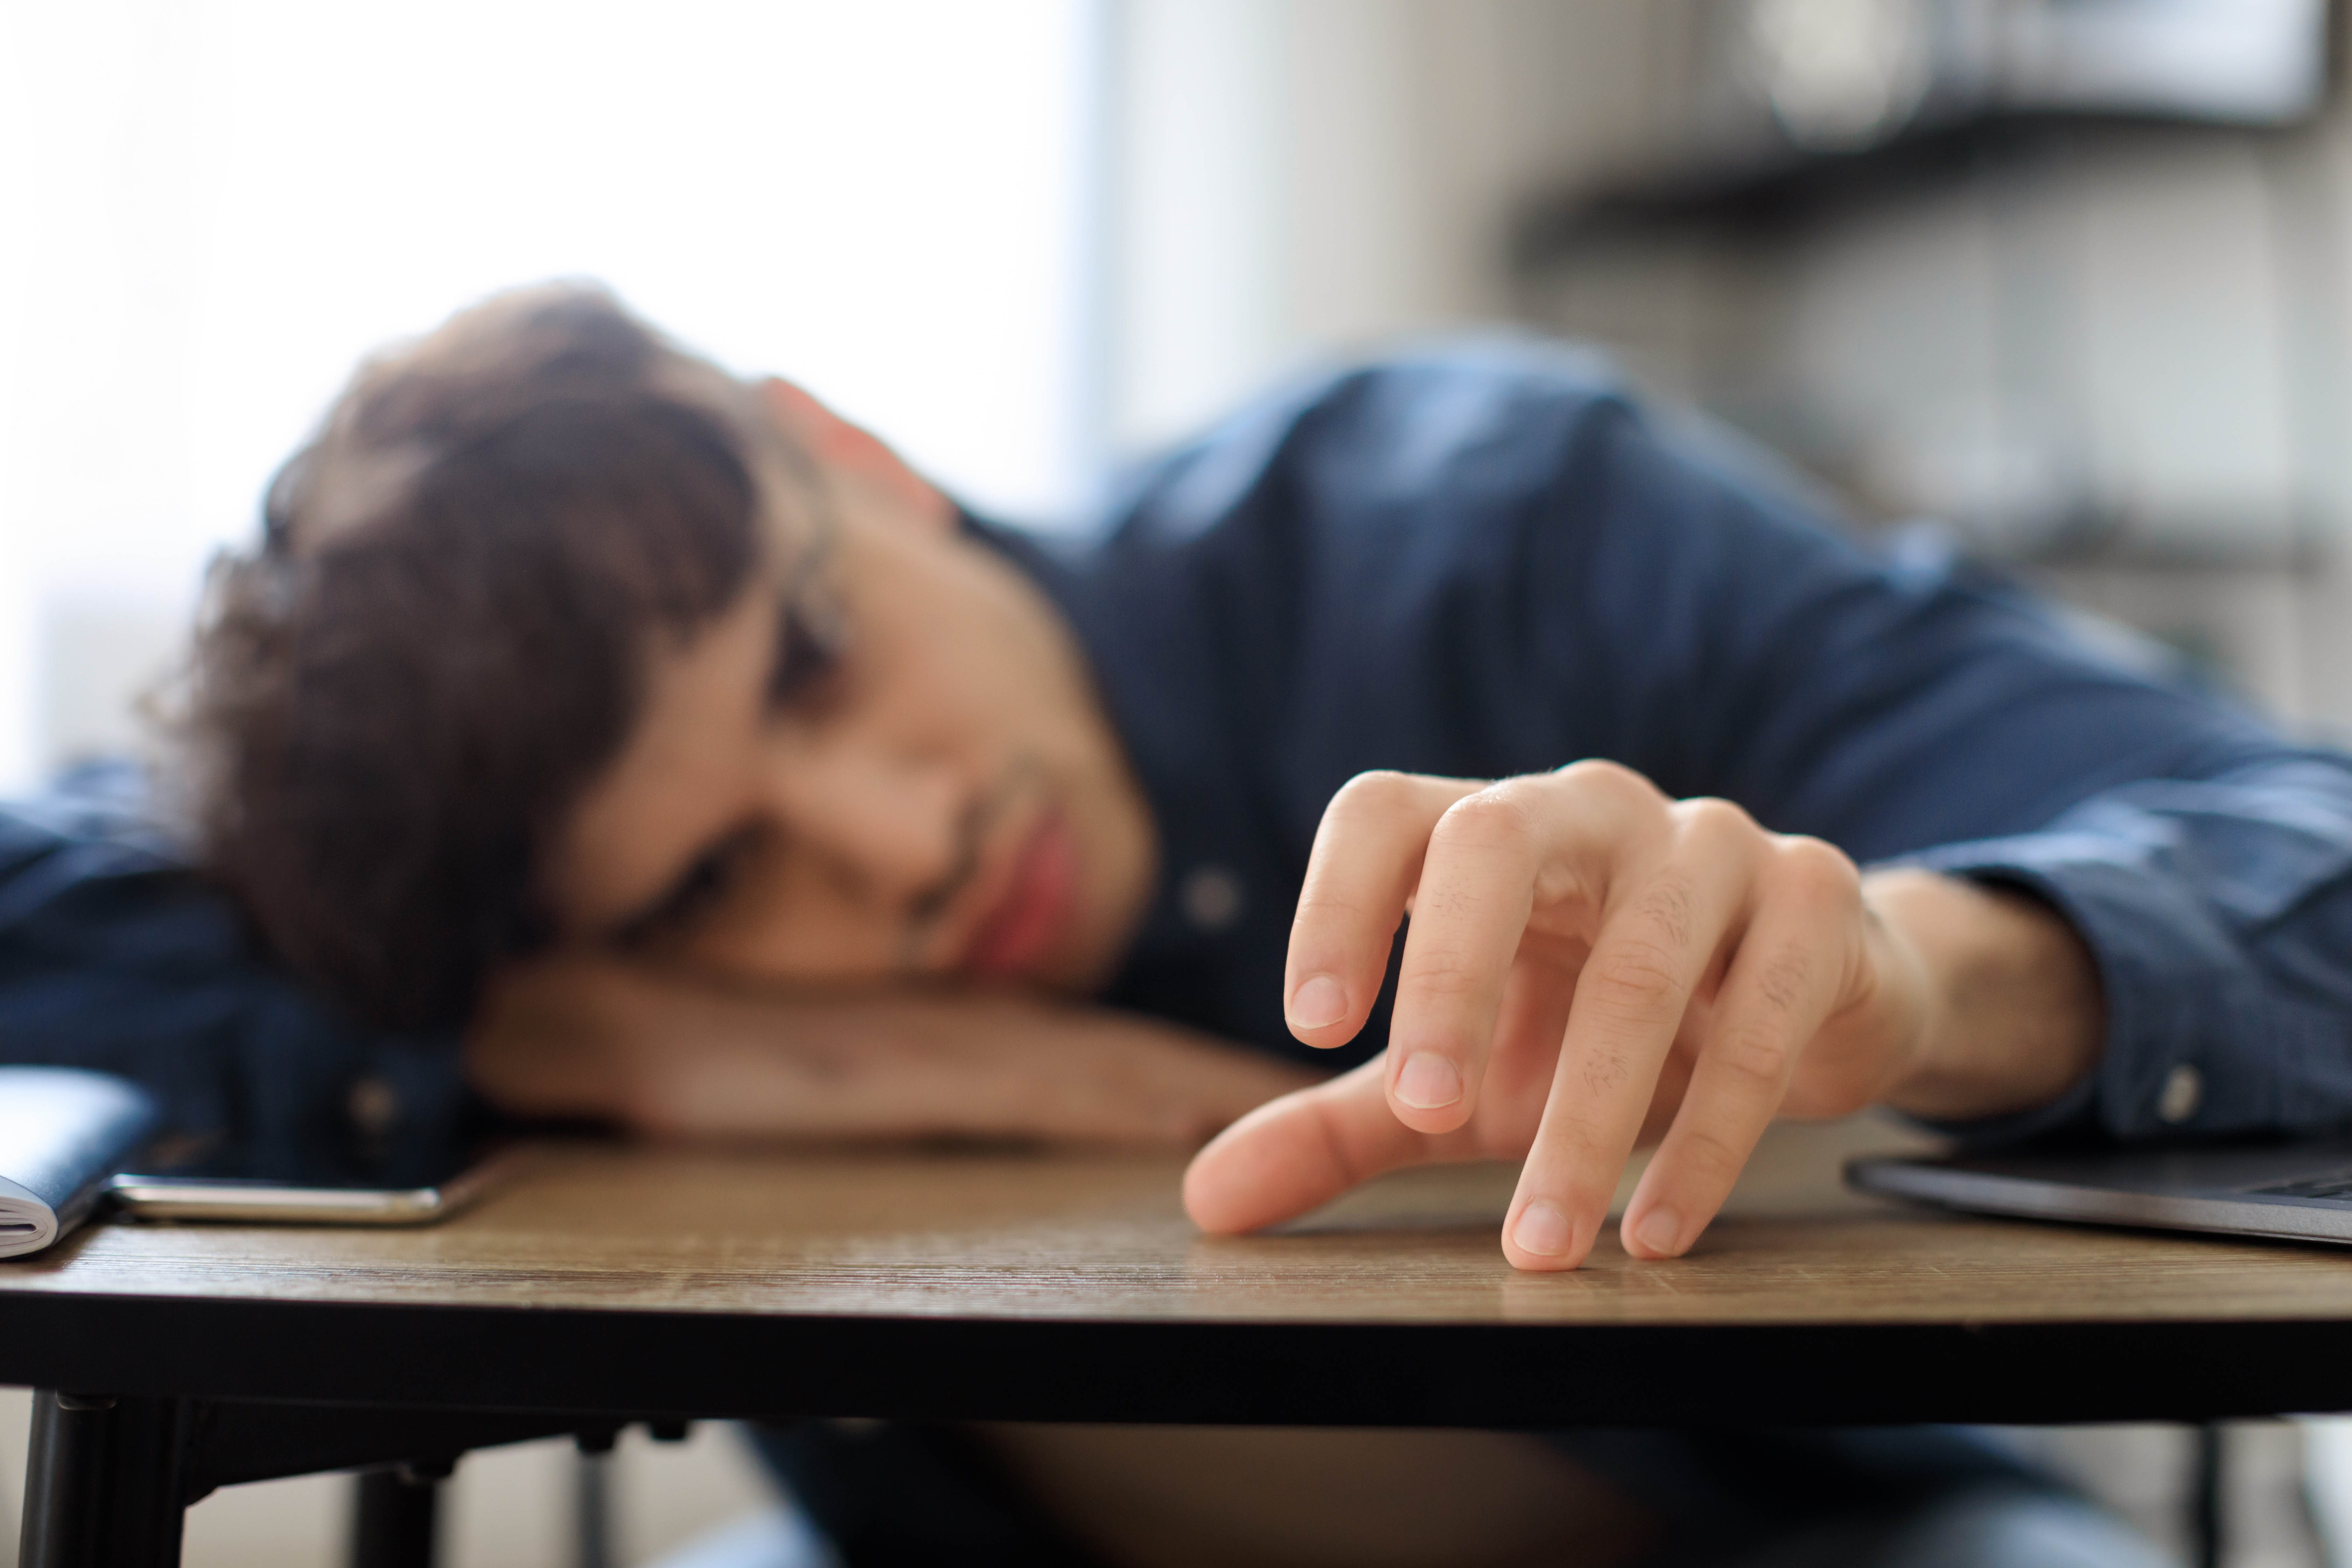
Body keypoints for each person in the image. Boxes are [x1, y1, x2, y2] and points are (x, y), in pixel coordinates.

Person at [8, 282, 2350, 1565]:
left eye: (816, 657)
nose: (895, 842)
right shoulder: (553, 951)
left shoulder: (1489, 525)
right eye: (718, 882)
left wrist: (1933, 968)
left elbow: (2302, 844)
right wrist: (626, 1042)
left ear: (851, 452)